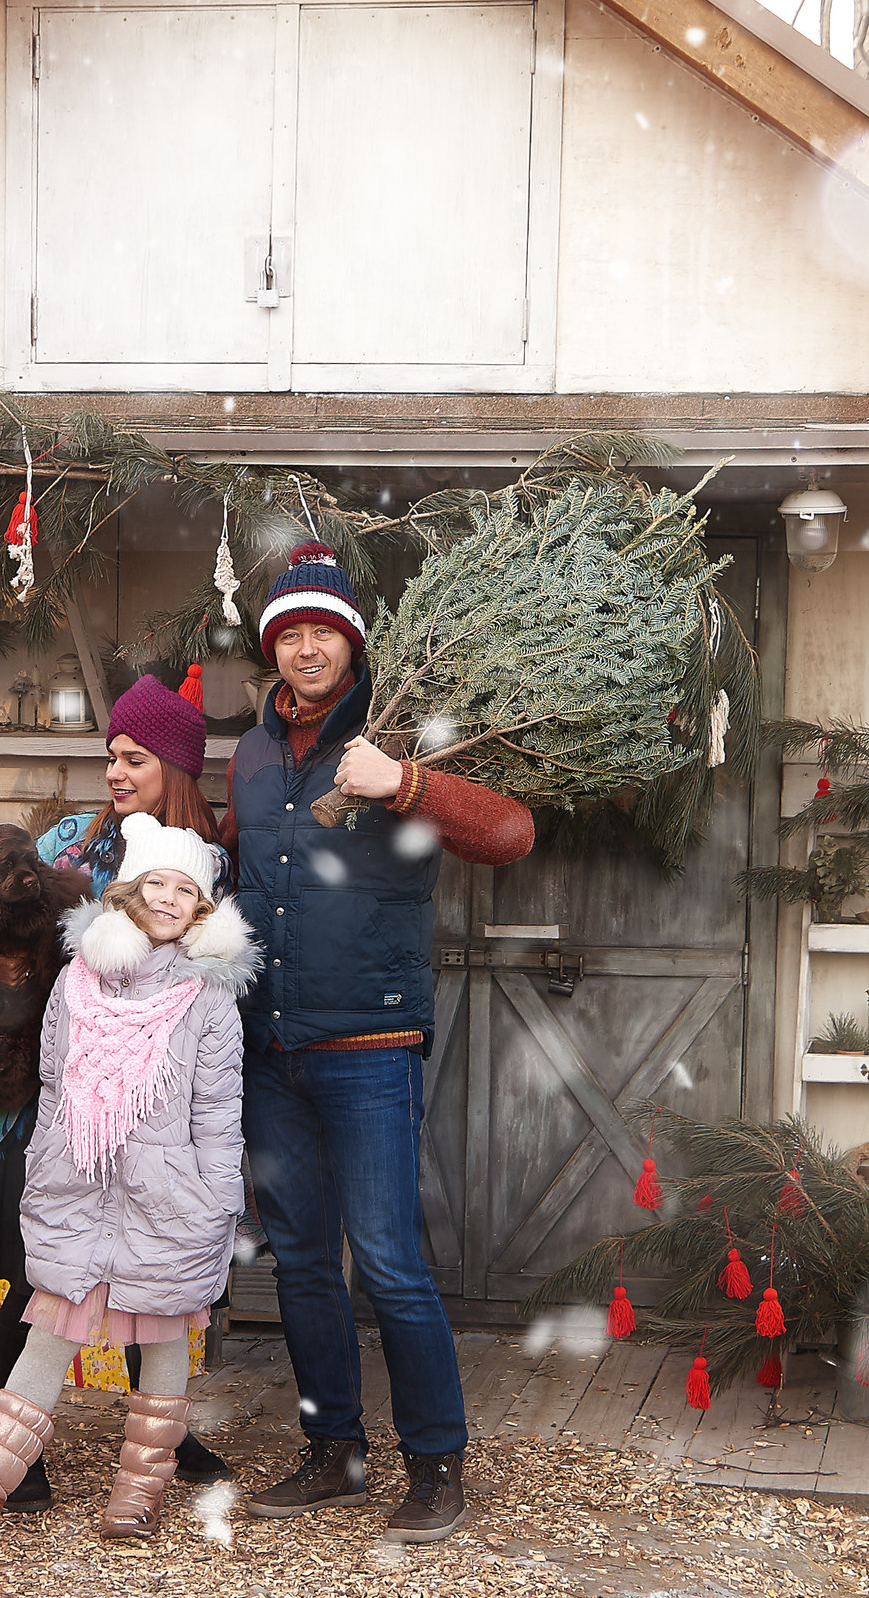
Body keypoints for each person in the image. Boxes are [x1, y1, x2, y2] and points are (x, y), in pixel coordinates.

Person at [228, 544, 535, 1545]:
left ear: (352, 642)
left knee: (390, 1261)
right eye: (290, 631)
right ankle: (334, 1453)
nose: (306, 645)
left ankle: (435, 1463)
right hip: (272, 1044)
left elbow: (510, 832)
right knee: (303, 1263)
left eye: (323, 629)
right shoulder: (250, 751)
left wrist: (403, 780)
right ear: (273, 646)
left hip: (369, 1040)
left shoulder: (396, 733)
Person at [0, 815, 258, 1549]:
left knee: (160, 1342)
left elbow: (219, 1112)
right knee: (49, 1328)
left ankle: (137, 1497)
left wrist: (219, 1206)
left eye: (185, 889)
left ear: (202, 909)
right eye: (154, 881)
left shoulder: (208, 1001)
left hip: (170, 1196)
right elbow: (56, 1090)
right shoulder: (80, 983)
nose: (166, 898)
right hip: (83, 1188)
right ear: (127, 890)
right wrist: (47, 1175)